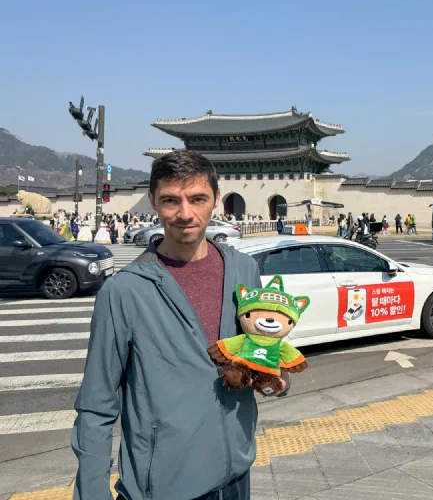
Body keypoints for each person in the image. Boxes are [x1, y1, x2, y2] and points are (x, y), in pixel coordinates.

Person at [71, 150, 284, 500]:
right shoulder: (124, 291)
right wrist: (92, 492)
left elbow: (259, 346)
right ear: (153, 200)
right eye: (171, 200)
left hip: (236, 472)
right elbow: (97, 403)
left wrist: (273, 371)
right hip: (164, 485)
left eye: (197, 198)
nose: (185, 214)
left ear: (216, 198)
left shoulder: (245, 270)